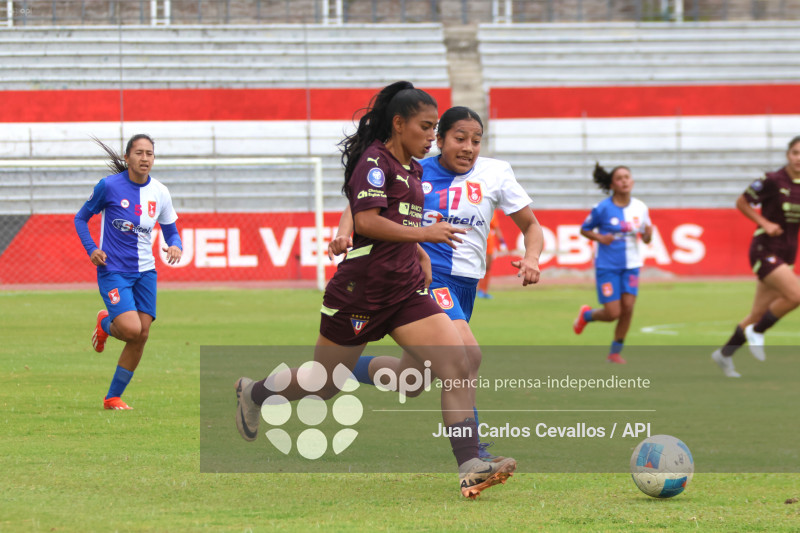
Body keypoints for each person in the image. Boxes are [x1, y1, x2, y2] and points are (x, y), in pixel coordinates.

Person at [234, 83, 517, 499]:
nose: (429, 136)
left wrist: (418, 250)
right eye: (424, 128)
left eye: (433, 127)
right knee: (324, 384)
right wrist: (423, 233)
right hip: (359, 292)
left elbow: (398, 217)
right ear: (399, 124)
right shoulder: (374, 162)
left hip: (405, 289)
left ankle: (470, 464)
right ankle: (254, 391)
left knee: (456, 363)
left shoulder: (415, 170)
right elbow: (367, 221)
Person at [330, 106, 543, 461]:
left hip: (465, 286)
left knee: (409, 380)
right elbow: (360, 204)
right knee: (468, 356)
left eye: (476, 140)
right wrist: (342, 233)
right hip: (426, 278)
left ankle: (341, 366)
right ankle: (474, 457)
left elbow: (531, 226)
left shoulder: (497, 173)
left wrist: (532, 257)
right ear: (439, 140)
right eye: (459, 138)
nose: (469, 147)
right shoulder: (413, 171)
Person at [74, 134, 183, 410]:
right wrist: (91, 249)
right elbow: (81, 218)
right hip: (113, 270)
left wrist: (175, 245)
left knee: (142, 334)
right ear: (127, 158)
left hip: (146, 272)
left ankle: (112, 398)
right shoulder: (108, 187)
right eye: (139, 153)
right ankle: (105, 324)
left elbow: (171, 230)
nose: (145, 158)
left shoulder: (160, 192)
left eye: (149, 153)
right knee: (132, 330)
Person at [712, 136, 800, 377]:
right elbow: (742, 202)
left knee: (757, 313)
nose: (798, 158)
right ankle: (758, 332)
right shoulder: (772, 180)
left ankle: (724, 355)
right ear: (787, 155)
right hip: (765, 250)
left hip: (787, 255)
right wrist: (765, 222)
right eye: (795, 152)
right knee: (796, 295)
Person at [573, 163, 652, 364]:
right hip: (607, 266)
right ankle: (587, 315)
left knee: (628, 307)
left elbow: (646, 238)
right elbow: (585, 229)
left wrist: (648, 235)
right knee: (612, 313)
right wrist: (600, 238)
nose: (625, 181)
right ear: (612, 184)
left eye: (627, 177)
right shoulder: (602, 208)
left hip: (632, 265)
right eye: (620, 178)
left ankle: (615, 352)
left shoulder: (640, 208)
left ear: (632, 181)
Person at [476, 210, 508, 299]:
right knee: (478, 265)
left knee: (487, 266)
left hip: (489, 241)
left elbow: (496, 227)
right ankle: (475, 288)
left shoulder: (493, 212)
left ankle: (483, 290)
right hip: (478, 240)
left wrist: (502, 242)